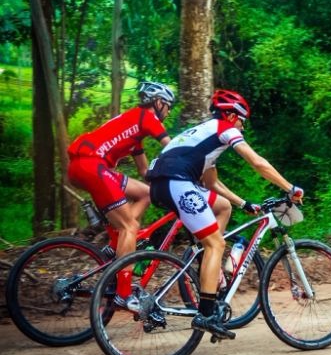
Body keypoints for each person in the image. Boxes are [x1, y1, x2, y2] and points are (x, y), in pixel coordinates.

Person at [146, 89, 303, 340]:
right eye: (242, 120)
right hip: (177, 183)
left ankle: (207, 264)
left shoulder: (203, 134)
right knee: (216, 244)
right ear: (230, 116)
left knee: (223, 207)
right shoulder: (225, 129)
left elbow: (212, 184)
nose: (243, 126)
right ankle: (206, 314)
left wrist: (244, 203)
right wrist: (290, 188)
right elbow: (257, 162)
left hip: (161, 184)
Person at [67, 81, 174, 305]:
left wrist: (165, 184)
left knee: (146, 193)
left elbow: (145, 172)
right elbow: (173, 149)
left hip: (84, 166)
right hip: (92, 165)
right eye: (168, 106)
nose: (169, 111)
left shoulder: (134, 128)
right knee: (130, 226)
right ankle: (124, 294)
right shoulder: (147, 117)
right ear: (158, 102)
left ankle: (119, 244)